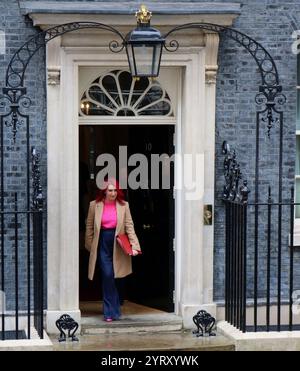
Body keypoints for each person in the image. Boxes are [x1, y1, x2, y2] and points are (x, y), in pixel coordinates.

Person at [85, 178, 141, 322]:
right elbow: (89, 228)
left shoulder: (124, 206)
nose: (113, 193)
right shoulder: (94, 205)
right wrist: (92, 247)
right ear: (104, 191)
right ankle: (109, 312)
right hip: (102, 242)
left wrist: (135, 246)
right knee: (107, 275)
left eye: (115, 190)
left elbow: (129, 226)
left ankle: (113, 310)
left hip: (118, 244)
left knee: (116, 276)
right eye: (110, 190)